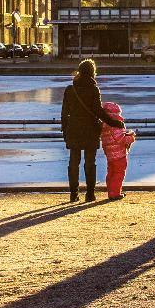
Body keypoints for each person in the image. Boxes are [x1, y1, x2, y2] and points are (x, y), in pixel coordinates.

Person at [60, 59, 123, 202]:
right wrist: (115, 123)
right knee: (90, 162)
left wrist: (65, 131)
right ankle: (90, 194)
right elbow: (99, 112)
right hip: (90, 130)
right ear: (92, 72)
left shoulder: (70, 89)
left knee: (73, 163)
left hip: (74, 129)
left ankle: (73, 194)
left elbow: (64, 113)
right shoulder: (93, 89)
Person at [100, 101, 137, 200]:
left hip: (110, 154)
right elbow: (121, 139)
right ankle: (115, 193)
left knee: (111, 173)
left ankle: (111, 191)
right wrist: (131, 137)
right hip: (119, 154)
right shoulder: (116, 125)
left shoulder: (103, 126)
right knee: (119, 173)